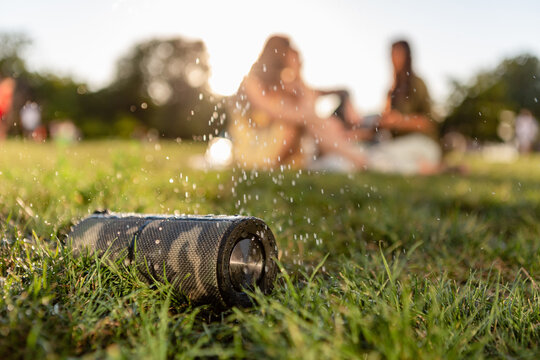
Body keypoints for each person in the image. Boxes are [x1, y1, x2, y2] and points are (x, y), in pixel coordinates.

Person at [228, 35, 368, 170]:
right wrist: (318, 120)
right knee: (302, 120)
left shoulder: (286, 84)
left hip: (282, 147)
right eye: (289, 52)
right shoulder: (252, 82)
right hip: (255, 147)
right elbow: (277, 113)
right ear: (278, 54)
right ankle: (357, 158)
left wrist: (298, 74)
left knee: (311, 120)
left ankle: (355, 158)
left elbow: (309, 107)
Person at [365, 40, 442, 174]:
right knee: (376, 157)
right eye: (391, 54)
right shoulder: (391, 91)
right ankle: (428, 167)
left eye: (398, 54)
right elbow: (385, 119)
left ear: (407, 57)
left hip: (422, 144)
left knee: (376, 160)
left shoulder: (417, 83)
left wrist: (400, 121)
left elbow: (428, 123)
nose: (393, 59)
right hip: (400, 146)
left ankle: (435, 168)